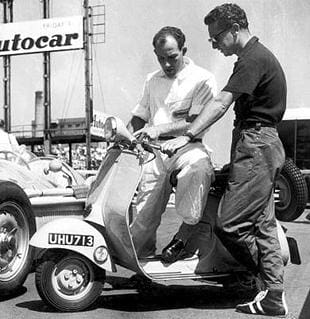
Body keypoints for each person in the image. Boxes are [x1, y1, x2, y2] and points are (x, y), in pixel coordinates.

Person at [162, 4, 288, 317]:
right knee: (263, 224)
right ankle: (272, 297)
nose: (215, 43)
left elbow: (220, 103)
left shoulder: (251, 59)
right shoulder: (257, 57)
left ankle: (269, 284)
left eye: (216, 36)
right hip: (260, 143)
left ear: (234, 29)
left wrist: (189, 135)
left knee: (230, 223)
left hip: (256, 144)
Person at [128, 26, 216, 263]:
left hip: (188, 145)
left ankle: (183, 237)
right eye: (161, 59)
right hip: (155, 151)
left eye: (172, 57)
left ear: (183, 50)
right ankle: (142, 263)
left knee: (198, 168)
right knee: (144, 211)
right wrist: (128, 138)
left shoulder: (203, 78)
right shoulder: (152, 80)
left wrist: (158, 128)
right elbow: (140, 116)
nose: (166, 64)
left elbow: (196, 120)